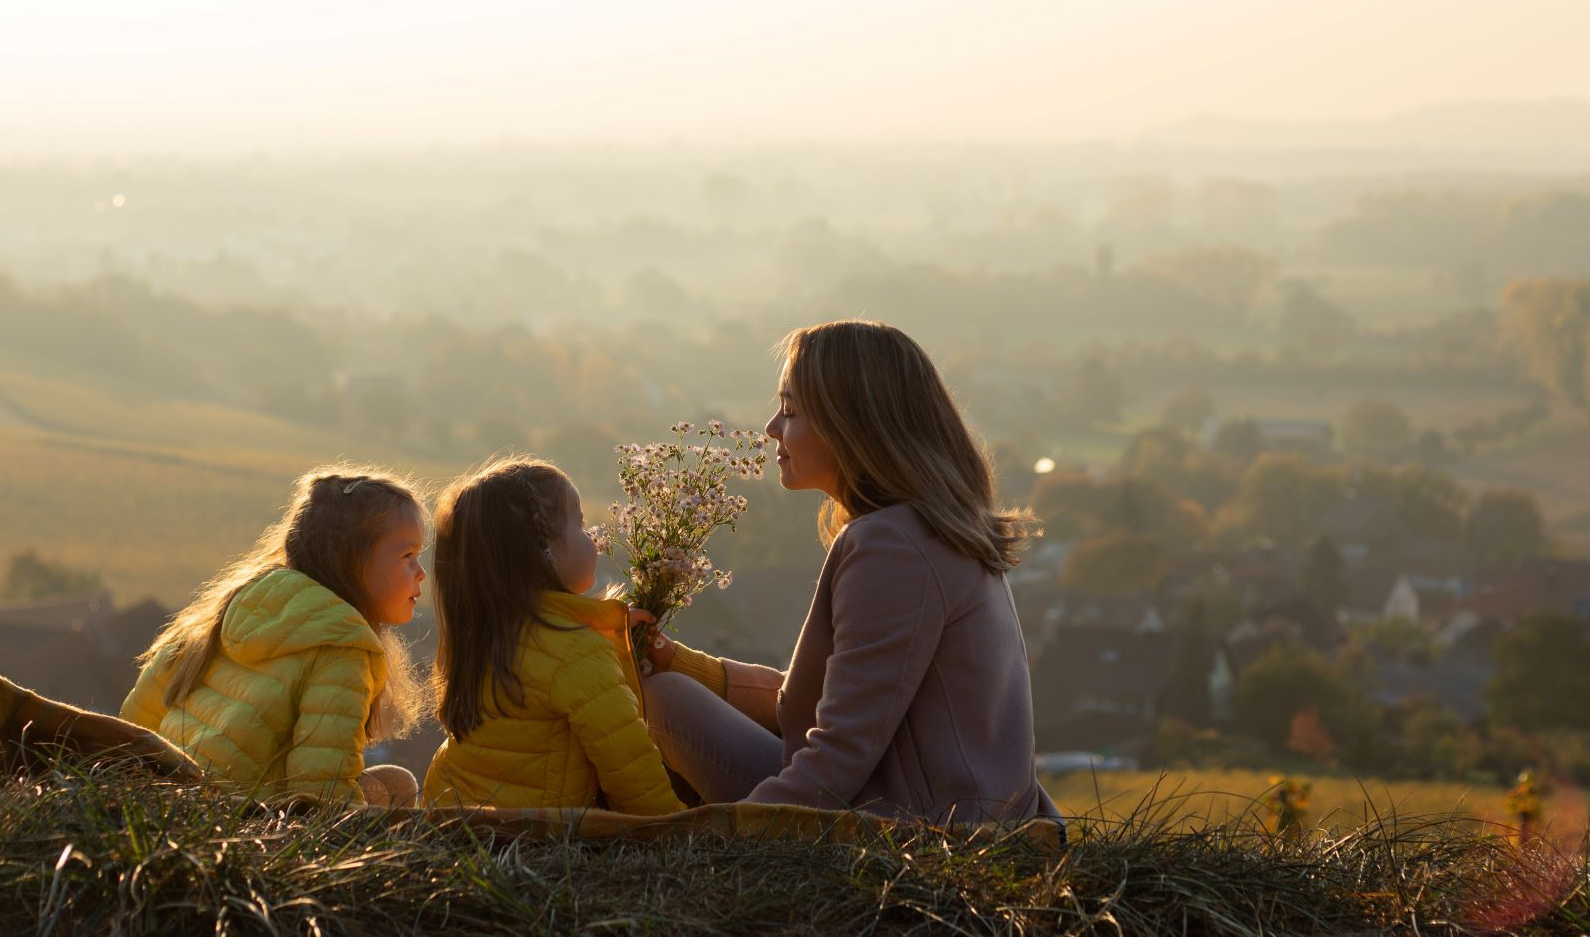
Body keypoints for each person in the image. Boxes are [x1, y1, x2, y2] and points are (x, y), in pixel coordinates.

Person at [640, 320, 1063, 828]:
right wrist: (678, 661)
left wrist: (715, 835)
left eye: (791, 411)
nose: (772, 428)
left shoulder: (892, 546)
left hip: (910, 826)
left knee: (662, 700)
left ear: (852, 426)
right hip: (957, 809)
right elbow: (835, 701)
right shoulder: (932, 530)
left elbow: (842, 749)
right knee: (673, 684)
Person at [120, 467, 427, 807]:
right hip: (245, 815)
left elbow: (137, 718)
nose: (421, 573)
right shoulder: (342, 647)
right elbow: (321, 791)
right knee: (399, 784)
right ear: (351, 561)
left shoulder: (230, 606)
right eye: (407, 556)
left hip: (170, 793)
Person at [422, 457, 683, 814]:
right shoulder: (577, 652)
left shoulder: (480, 634)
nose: (591, 538)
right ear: (543, 550)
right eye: (580, 524)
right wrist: (679, 830)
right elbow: (630, 766)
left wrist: (608, 630)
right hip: (532, 832)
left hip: (452, 812)